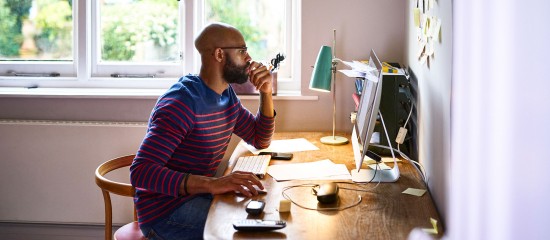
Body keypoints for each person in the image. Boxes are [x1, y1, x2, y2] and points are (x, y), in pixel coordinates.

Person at [130, 23, 276, 239]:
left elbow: (259, 139)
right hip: (165, 213)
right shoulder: (182, 104)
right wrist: (213, 184)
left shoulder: (227, 97)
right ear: (219, 54)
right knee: (251, 232)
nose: (249, 58)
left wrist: (266, 92)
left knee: (263, 216)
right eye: (242, 51)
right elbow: (141, 172)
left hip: (198, 198)